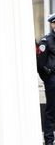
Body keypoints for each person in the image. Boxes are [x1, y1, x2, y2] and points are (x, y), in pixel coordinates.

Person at [38, 13, 55, 145]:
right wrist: (48, 79)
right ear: (52, 24)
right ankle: (49, 140)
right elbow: (40, 64)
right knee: (51, 110)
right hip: (53, 80)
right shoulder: (46, 41)